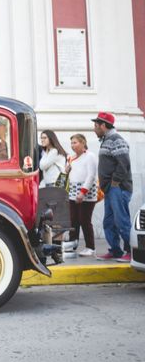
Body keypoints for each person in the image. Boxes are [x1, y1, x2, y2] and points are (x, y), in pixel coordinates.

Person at [92, 112, 133, 261]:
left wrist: (115, 182)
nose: (94, 129)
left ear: (103, 125)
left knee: (122, 221)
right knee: (109, 222)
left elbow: (124, 164)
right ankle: (115, 251)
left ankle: (131, 252)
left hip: (118, 188)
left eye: (96, 126)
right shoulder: (106, 140)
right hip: (110, 189)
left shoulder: (116, 140)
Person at [65, 134, 98, 257]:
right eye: (72, 143)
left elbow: (91, 176)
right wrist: (67, 169)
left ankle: (90, 247)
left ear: (83, 142)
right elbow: (68, 174)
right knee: (73, 220)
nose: (73, 145)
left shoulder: (90, 156)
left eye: (75, 142)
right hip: (73, 192)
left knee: (85, 220)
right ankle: (72, 244)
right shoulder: (71, 158)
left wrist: (83, 192)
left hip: (86, 194)